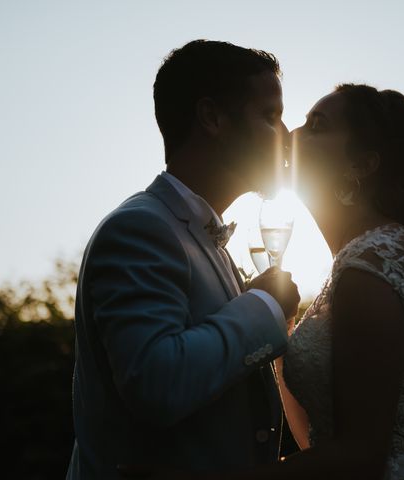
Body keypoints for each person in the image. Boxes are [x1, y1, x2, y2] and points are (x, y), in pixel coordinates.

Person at [121, 84, 404, 479]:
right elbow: (316, 439)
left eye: (317, 125)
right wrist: (282, 327)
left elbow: (359, 458)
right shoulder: (360, 257)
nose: (292, 135)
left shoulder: (373, 265)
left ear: (361, 164)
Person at [66, 39, 300, 479]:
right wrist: (264, 307)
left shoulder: (203, 240)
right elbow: (158, 383)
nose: (287, 137)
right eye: (270, 116)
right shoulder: (139, 230)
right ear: (212, 118)